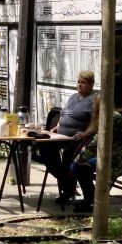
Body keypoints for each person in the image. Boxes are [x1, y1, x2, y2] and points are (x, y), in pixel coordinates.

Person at [41, 70, 99, 204]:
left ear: (91, 84)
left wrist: (85, 133)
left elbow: (95, 123)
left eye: (83, 82)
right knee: (44, 147)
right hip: (61, 137)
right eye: (78, 82)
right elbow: (65, 115)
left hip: (78, 140)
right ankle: (68, 184)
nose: (79, 85)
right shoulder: (73, 97)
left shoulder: (94, 100)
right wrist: (57, 126)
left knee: (69, 160)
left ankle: (69, 189)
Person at [70, 110, 122, 213]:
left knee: (76, 166)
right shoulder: (110, 114)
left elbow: (96, 142)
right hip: (110, 155)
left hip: (116, 159)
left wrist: (81, 159)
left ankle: (92, 199)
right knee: (79, 165)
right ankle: (91, 199)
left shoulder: (110, 117)